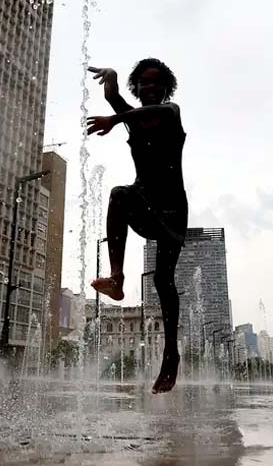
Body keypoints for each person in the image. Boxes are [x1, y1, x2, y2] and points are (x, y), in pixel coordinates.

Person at [86, 59, 187, 394]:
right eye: (143, 83)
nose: (149, 88)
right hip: (143, 198)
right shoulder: (135, 118)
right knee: (118, 195)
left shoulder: (171, 111)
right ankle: (117, 278)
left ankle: (170, 355)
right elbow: (115, 99)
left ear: (165, 87)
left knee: (163, 278)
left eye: (155, 83)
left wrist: (116, 118)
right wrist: (112, 79)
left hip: (171, 207)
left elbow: (134, 114)